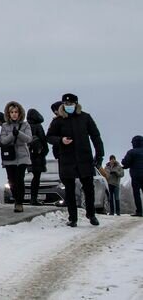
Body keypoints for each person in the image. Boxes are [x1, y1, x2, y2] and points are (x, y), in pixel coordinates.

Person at [46, 93, 104, 227]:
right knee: (70, 189)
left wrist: (99, 155)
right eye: (66, 104)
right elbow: (49, 137)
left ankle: (91, 214)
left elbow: (96, 136)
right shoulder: (58, 120)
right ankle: (73, 218)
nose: (68, 106)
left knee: (89, 187)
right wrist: (60, 140)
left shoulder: (85, 117)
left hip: (84, 158)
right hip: (67, 159)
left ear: (76, 104)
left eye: (71, 104)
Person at [0, 101, 33, 213]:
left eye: (16, 112)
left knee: (20, 180)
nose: (14, 114)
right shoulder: (5, 126)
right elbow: (3, 140)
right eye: (11, 112)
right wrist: (12, 134)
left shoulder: (25, 125)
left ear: (20, 113)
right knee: (11, 181)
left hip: (22, 156)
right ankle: (15, 198)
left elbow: (29, 139)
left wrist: (18, 133)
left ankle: (19, 202)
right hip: (10, 157)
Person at [27, 108, 49, 205]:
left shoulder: (26, 126)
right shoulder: (38, 126)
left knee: (34, 177)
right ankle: (34, 198)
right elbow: (43, 140)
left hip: (29, 155)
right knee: (36, 178)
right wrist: (44, 151)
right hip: (38, 156)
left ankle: (31, 198)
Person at [121, 135, 143, 217]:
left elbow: (125, 163)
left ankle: (139, 211)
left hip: (136, 176)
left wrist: (124, 164)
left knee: (136, 194)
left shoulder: (131, 152)